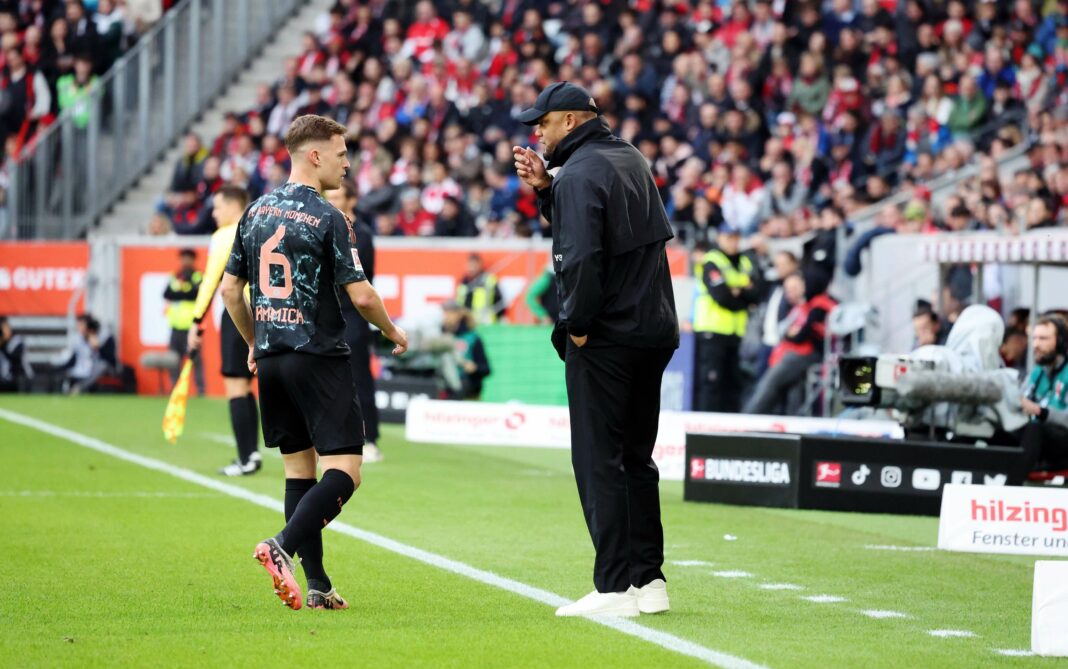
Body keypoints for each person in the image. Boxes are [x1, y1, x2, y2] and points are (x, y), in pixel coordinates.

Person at [220, 114, 408, 611]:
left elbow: (229, 291)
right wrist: (393, 331)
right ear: (316, 154)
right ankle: (281, 545)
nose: (349, 164)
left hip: (273, 357)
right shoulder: (327, 216)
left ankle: (319, 583)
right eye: (343, 154)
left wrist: (254, 342)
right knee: (347, 469)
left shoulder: (255, 211)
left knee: (299, 473)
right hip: (317, 355)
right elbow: (362, 297)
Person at [513, 82, 679, 617]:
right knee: (636, 458)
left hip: (606, 335)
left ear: (568, 121)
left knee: (598, 459)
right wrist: (546, 189)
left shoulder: (581, 173)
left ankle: (613, 588)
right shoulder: (628, 157)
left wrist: (577, 326)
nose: (536, 132)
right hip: (651, 330)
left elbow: (580, 257)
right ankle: (648, 581)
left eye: (542, 122)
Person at [187, 185, 262, 477]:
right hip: (266, 313)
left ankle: (247, 458)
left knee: (235, 386)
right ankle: (252, 454)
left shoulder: (224, 235)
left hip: (238, 314)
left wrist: (197, 321)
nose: (214, 214)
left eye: (217, 208)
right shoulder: (260, 227)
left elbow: (212, 281)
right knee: (247, 387)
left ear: (234, 206)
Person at [325, 179, 383, 463]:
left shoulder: (362, 234)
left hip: (354, 315)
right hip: (330, 314)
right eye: (330, 198)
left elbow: (363, 278)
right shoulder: (327, 228)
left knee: (359, 377)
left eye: (337, 198)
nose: (332, 202)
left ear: (351, 201)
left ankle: (370, 439)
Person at [742, 273, 836, 416]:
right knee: (793, 388)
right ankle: (790, 421)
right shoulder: (802, 305)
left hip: (804, 353)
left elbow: (800, 335)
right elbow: (787, 331)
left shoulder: (818, 306)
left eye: (798, 287)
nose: (791, 293)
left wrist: (792, 334)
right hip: (791, 351)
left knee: (769, 384)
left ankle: (749, 417)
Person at [692, 222, 761, 413]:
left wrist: (739, 293)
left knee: (732, 383)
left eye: (735, 237)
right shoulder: (712, 260)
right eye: (728, 237)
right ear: (720, 237)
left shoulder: (746, 262)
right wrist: (743, 298)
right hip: (712, 331)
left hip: (735, 332)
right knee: (712, 382)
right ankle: (706, 427)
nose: (732, 242)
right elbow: (722, 296)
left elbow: (757, 292)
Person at [1020, 315, 1068, 481]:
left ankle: (1015, 483)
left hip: (1062, 440)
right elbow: (1023, 398)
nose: (1036, 345)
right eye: (1034, 338)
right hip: (1037, 438)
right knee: (1001, 431)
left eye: (1043, 338)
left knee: (1035, 428)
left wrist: (1040, 411)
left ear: (1060, 341)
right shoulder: (1037, 371)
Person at [163, 248, 204, 395]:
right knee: (174, 360)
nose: (185, 261)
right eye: (183, 258)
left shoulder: (198, 276)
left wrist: (179, 293)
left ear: (193, 260)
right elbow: (167, 293)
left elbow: (196, 294)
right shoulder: (175, 276)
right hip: (175, 326)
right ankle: (174, 389)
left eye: (188, 258)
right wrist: (185, 293)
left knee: (196, 360)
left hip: (191, 326)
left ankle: (200, 391)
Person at [440, 301, 491, 399]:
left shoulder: (472, 338)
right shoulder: (439, 335)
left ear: (459, 314)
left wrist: (474, 367)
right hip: (444, 390)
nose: (446, 316)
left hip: (468, 392)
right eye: (445, 313)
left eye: (450, 312)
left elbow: (486, 369)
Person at [455, 254, 506, 325]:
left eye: (474, 265)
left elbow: (499, 302)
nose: (472, 268)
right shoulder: (463, 283)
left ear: (480, 265)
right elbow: (459, 304)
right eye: (470, 265)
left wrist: (495, 319)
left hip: (486, 324)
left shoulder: (489, 281)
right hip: (468, 324)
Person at [0, 316, 32, 391]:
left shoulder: (17, 340)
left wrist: (3, 345)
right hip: (5, 378)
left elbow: (16, 358)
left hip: (21, 378)